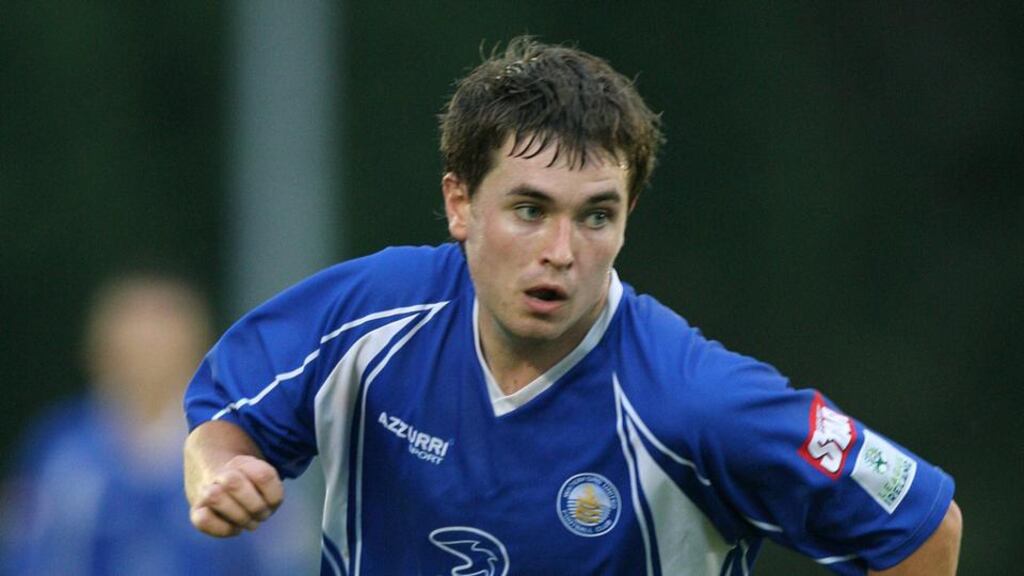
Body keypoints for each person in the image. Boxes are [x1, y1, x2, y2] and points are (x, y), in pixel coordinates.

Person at [183, 37, 962, 575]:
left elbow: (923, 527)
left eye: (595, 215)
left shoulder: (693, 403)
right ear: (460, 203)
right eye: (530, 210)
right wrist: (219, 473)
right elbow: (226, 415)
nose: (561, 250)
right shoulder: (371, 313)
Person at [1, 272, 317, 575]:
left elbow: (280, 557)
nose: (148, 346)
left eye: (162, 329)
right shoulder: (60, 448)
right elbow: (24, 552)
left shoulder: (237, 444)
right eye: (134, 330)